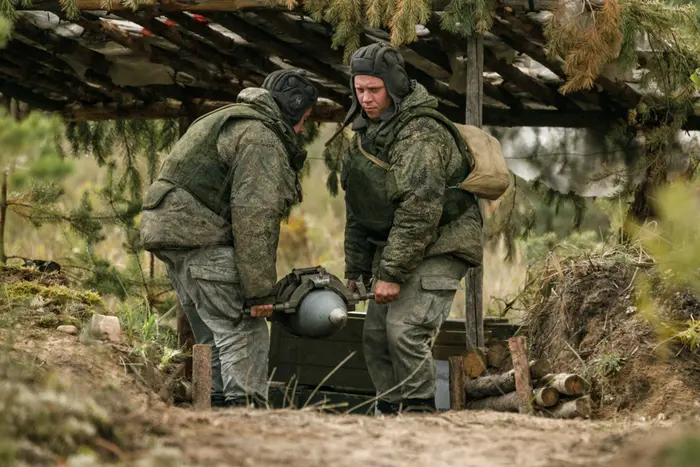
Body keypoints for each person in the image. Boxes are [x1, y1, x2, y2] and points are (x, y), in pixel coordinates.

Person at [140, 70, 318, 408]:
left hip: (173, 240)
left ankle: (218, 411)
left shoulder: (227, 119)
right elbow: (255, 218)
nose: (302, 129)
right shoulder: (261, 137)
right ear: (293, 109)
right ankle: (245, 415)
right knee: (243, 330)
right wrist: (258, 293)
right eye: (304, 119)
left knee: (213, 333)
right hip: (204, 239)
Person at [336, 43, 483, 414]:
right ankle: (391, 412)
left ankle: (418, 415)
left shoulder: (421, 132)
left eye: (374, 89)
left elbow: (419, 209)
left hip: (442, 242)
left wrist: (391, 273)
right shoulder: (365, 134)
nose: (365, 98)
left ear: (394, 86)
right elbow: (359, 207)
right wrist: (356, 269)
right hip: (401, 247)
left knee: (404, 331)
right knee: (374, 337)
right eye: (359, 89)